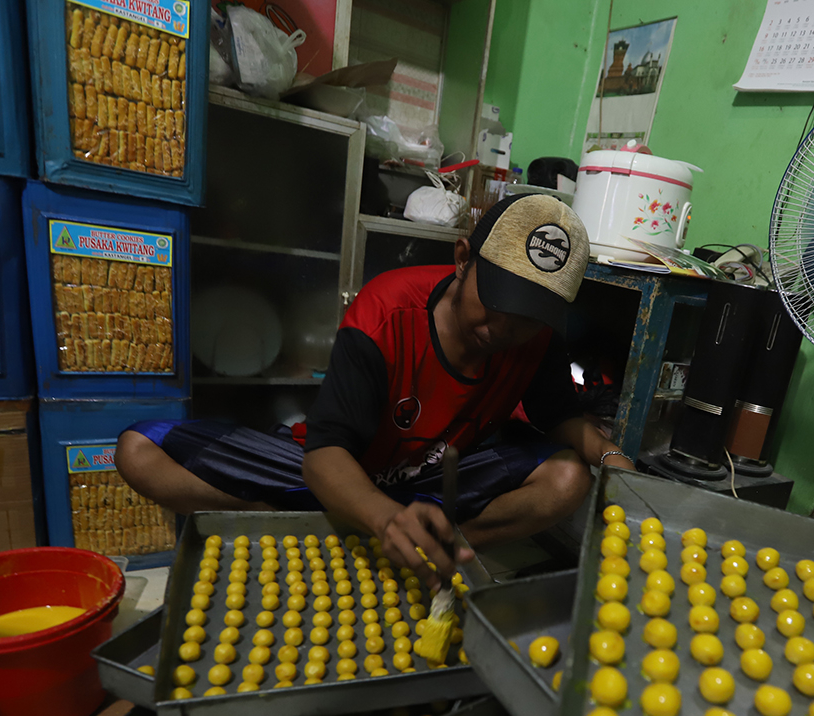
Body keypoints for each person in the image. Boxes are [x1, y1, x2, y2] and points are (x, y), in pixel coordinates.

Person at [116, 194, 634, 587]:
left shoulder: (537, 337)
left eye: (529, 315)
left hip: (431, 483)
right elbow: (326, 452)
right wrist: (384, 517)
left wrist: (613, 459)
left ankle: (438, 546)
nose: (505, 328)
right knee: (139, 450)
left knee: (569, 478)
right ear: (462, 258)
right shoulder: (386, 313)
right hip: (339, 472)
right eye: (498, 300)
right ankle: (345, 524)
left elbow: (557, 417)